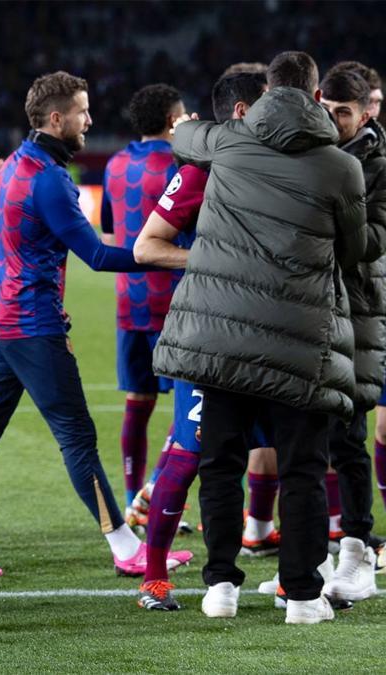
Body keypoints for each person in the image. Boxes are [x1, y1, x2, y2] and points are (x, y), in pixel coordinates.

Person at [0, 71, 188, 580]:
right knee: (77, 437)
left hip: (0, 321)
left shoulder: (14, 170)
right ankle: (124, 547)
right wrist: (174, 257)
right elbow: (95, 254)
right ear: (57, 118)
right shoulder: (49, 178)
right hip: (33, 326)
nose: (90, 120)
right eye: (83, 112)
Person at [153, 51, 366, 624]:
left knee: (220, 462)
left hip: (219, 334)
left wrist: (194, 126)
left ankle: (220, 586)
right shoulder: (341, 168)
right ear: (318, 98)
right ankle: (300, 595)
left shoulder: (226, 141)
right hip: (299, 341)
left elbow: (184, 134)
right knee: (302, 468)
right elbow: (352, 251)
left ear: (267, 92)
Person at [131, 70, 268, 611]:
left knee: (290, 451)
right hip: (212, 336)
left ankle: (296, 576)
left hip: (272, 336)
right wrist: (220, 266)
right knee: (190, 455)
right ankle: (155, 577)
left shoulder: (283, 169)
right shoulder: (198, 173)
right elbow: (145, 248)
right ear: (240, 112)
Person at [98, 84, 184, 516]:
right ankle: (156, 489)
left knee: (138, 401)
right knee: (194, 403)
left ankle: (134, 497)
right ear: (173, 120)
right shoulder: (181, 165)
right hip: (174, 303)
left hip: (129, 303)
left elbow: (110, 238)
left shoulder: (114, 164)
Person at [317, 67, 386, 602]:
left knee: (350, 438)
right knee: (307, 440)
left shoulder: (378, 164)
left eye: (346, 111)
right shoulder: (314, 150)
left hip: (359, 316)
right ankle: (313, 559)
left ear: (367, 111)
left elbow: (370, 244)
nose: (336, 119)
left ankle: (359, 553)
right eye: (329, 108)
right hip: (313, 314)